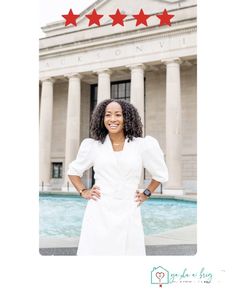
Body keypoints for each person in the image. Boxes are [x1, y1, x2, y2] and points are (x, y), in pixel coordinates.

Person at [67, 98, 168, 256]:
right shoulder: (93, 146)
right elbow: (73, 171)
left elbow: (160, 173)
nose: (112, 119)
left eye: (118, 115)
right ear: (102, 118)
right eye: (108, 115)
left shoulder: (141, 145)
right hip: (99, 210)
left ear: (126, 117)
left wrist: (146, 194)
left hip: (128, 209)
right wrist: (83, 191)